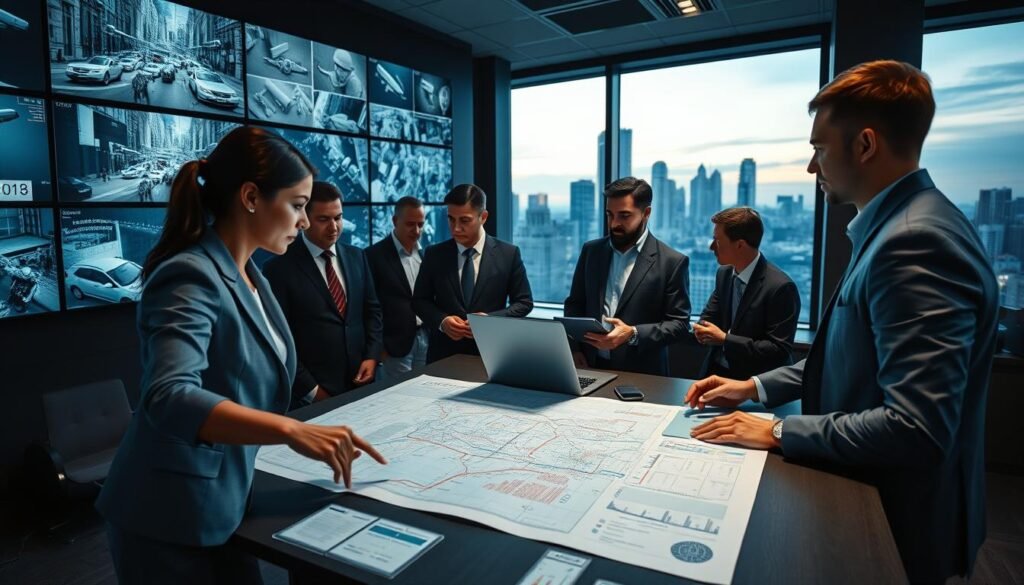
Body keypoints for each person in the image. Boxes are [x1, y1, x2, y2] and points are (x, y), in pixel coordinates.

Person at [685, 60, 998, 584]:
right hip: (868, 497)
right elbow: (849, 357)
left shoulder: (913, 241)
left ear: (865, 145)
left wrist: (779, 429)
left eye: (819, 148)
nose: (812, 167)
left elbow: (916, 428)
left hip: (895, 518)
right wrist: (753, 386)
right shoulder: (900, 223)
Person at [95, 127, 386, 585]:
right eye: (297, 205)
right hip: (166, 512)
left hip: (225, 496)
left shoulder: (253, 276)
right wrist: (289, 430)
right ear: (251, 197)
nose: (306, 222)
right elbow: (168, 395)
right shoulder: (188, 274)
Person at [263, 181, 383, 408]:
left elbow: (372, 311)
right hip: (310, 398)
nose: (334, 227)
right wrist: (313, 392)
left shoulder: (358, 257)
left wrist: (372, 357)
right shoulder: (278, 269)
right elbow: (279, 342)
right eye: (324, 219)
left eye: (338, 218)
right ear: (304, 220)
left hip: (362, 386)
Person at [564, 177, 691, 376]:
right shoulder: (591, 251)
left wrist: (632, 333)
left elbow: (680, 325)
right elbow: (575, 304)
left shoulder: (672, 262)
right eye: (609, 215)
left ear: (646, 213)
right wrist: (575, 348)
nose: (614, 224)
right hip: (589, 366)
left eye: (624, 216)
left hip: (642, 375)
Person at [412, 184, 533, 363]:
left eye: (464, 220)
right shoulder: (434, 254)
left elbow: (524, 302)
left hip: (491, 355)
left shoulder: (508, 254)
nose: (456, 228)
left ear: (483, 217)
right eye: (451, 219)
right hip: (443, 357)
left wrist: (492, 320)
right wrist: (442, 321)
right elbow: (420, 300)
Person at [693, 206, 800, 380]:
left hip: (756, 384)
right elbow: (709, 317)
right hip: (717, 374)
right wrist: (702, 328)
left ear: (740, 245)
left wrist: (725, 339)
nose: (711, 247)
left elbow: (778, 350)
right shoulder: (724, 274)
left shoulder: (781, 287)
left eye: (718, 241)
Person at [366, 196, 429, 381]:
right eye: (410, 224)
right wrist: (380, 349)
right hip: (393, 347)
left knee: (424, 396)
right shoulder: (373, 256)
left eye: (420, 224)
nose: (416, 230)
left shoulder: (426, 255)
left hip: (425, 340)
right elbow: (369, 307)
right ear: (395, 221)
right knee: (398, 402)